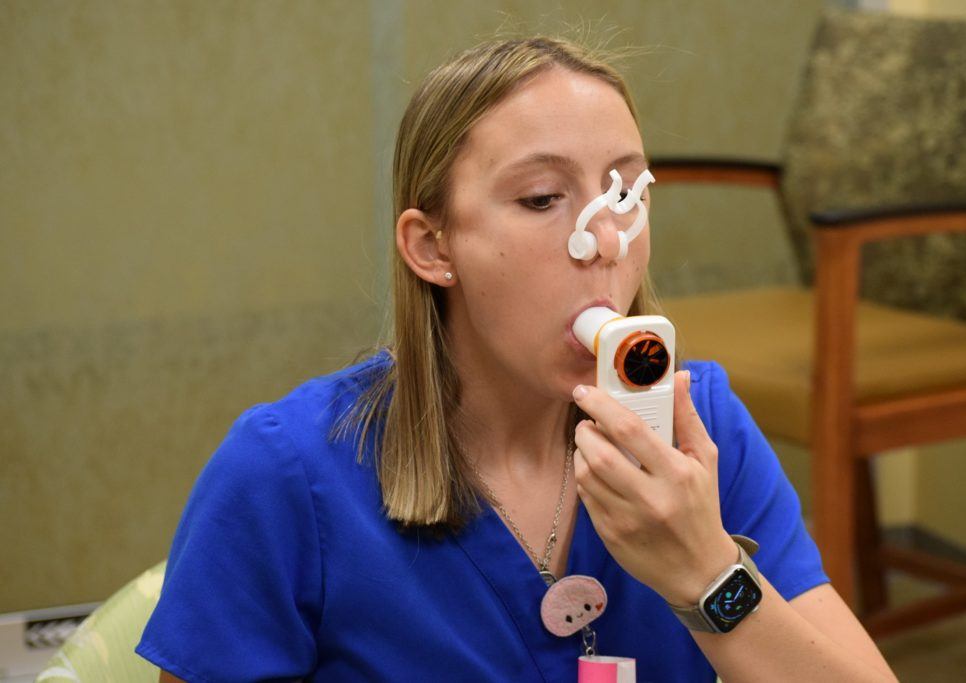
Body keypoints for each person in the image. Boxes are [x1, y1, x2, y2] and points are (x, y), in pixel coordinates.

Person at [137, 37, 897, 682]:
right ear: (433, 248)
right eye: (542, 198)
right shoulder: (285, 476)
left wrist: (710, 576)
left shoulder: (705, 431)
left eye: (626, 194)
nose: (605, 240)